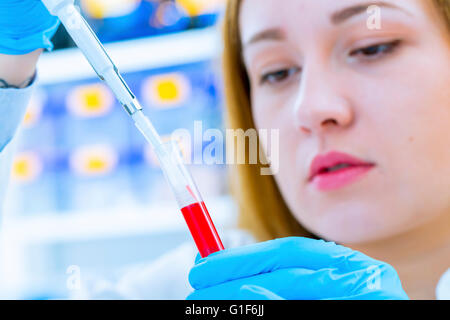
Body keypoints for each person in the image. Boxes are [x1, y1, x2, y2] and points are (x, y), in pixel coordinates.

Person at [0, 0, 448, 300]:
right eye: (277, 72)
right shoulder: (213, 286)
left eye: (373, 47)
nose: (311, 108)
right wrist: (9, 60)